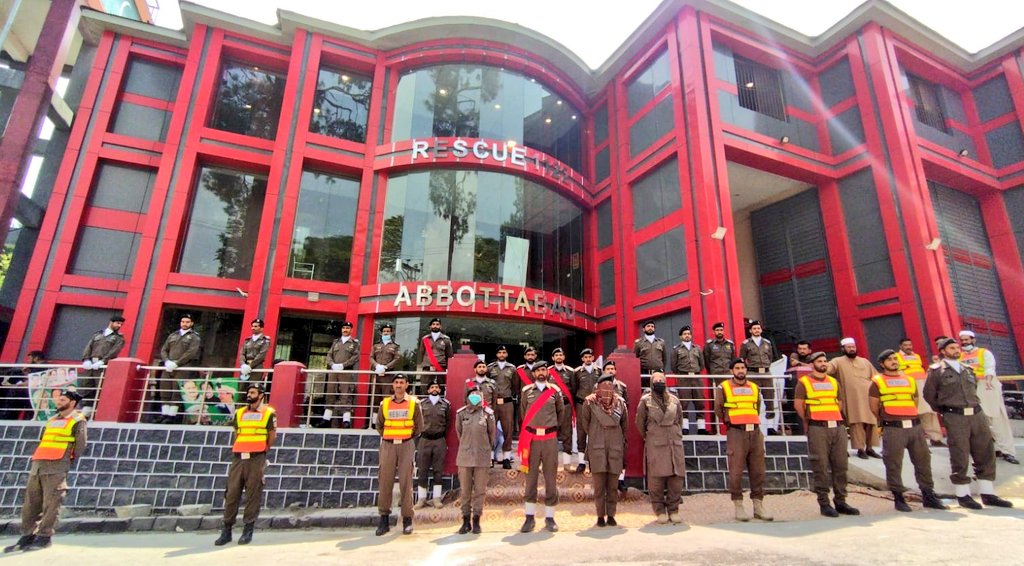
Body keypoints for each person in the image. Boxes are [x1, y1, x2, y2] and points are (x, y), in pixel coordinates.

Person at [924, 338, 1013, 509]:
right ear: (943, 351)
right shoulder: (936, 371)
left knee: (985, 451)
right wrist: (946, 410)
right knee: (960, 453)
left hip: (976, 413)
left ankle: (988, 493)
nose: (956, 350)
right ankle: (963, 494)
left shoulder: (968, 369)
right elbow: (929, 395)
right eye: (952, 347)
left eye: (957, 347)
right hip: (955, 416)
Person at [4, 389, 87, 552]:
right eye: (58, 399)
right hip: (39, 464)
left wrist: (66, 462)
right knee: (30, 504)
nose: (58, 402)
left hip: (57, 465)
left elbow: (80, 444)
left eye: (62, 400)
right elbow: (43, 440)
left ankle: (44, 537)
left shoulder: (78, 420)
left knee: (52, 503)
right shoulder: (51, 419)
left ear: (72, 403)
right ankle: (27, 536)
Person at [868, 350, 947, 513]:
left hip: (914, 426)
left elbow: (915, 401)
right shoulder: (877, 382)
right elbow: (874, 407)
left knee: (923, 461)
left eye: (895, 359)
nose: (893, 361)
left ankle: (928, 496)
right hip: (893, 427)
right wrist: (889, 418)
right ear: (882, 364)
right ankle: (898, 497)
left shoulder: (909, 380)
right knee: (893, 463)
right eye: (889, 359)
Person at [794, 352, 859, 518]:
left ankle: (841, 500)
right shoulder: (804, 383)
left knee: (841, 465)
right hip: (818, 427)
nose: (824, 364)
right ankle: (824, 503)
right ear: (811, 364)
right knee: (820, 465)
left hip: (836, 426)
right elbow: (799, 406)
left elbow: (839, 403)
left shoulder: (833, 382)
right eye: (820, 361)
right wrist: (812, 420)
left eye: (825, 361)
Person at [214, 384, 276, 546]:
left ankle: (248, 529)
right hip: (239, 457)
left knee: (253, 493)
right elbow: (237, 432)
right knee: (232, 493)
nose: (249, 395)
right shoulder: (240, 412)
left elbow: (272, 435)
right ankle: (226, 530)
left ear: (261, 395)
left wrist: (263, 449)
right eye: (248, 392)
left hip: (256, 457)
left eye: (253, 392)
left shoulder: (268, 413)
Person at [715, 359, 773, 522]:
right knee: (736, 471)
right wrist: (730, 422)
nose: (740, 370)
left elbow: (758, 406)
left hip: (754, 432)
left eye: (743, 368)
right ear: (731, 370)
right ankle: (738, 505)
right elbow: (718, 409)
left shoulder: (754, 387)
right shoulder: (724, 387)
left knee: (758, 471)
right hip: (736, 432)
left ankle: (758, 505)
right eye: (737, 368)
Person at [518, 361, 565, 533]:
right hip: (531, 440)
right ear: (533, 373)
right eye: (537, 370)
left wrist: (550, 428)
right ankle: (529, 518)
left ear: (547, 372)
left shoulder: (555, 391)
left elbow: (561, 413)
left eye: (544, 369)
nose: (541, 372)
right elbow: (523, 414)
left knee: (550, 478)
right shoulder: (526, 392)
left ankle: (550, 517)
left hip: (549, 439)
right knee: (530, 479)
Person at [959, 330, 1019, 464]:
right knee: (979, 420)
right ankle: (990, 450)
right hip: (970, 388)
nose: (964, 342)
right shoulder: (960, 356)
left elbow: (989, 368)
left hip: (987, 385)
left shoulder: (984, 353)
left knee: (996, 418)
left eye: (967, 340)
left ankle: (1007, 451)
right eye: (962, 340)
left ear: (973, 340)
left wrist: (988, 380)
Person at [375, 374, 423, 536]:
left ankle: (407, 520)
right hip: (388, 445)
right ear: (392, 385)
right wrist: (390, 436)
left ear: (407, 385)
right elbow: (379, 425)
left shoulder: (414, 403)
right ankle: (384, 519)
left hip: (406, 444)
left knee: (406, 482)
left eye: (402, 382)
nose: (399, 385)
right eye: (396, 382)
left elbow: (419, 426)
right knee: (385, 481)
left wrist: (406, 436)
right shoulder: (385, 403)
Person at [636, 371, 686, 525]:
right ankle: (659, 510)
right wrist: (651, 435)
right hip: (655, 442)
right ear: (651, 382)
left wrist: (675, 433)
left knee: (676, 477)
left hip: (674, 442)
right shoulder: (645, 401)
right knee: (656, 478)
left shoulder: (674, 400)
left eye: (661, 379)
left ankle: (674, 509)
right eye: (656, 380)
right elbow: (640, 423)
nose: (659, 382)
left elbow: (679, 420)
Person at [579, 374, 627, 527]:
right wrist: (595, 434)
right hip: (597, 447)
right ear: (598, 386)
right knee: (599, 486)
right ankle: (600, 516)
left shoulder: (620, 403)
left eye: (610, 384)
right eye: (604, 384)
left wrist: (617, 438)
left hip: (615, 447)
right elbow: (585, 424)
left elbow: (624, 425)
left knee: (613, 485)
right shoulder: (590, 402)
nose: (607, 388)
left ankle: (611, 515)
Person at [827, 338, 880, 459]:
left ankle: (870, 448)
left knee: (871, 423)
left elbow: (876, 377)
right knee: (857, 424)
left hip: (868, 397)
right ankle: (860, 449)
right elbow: (828, 369)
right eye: (849, 347)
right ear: (843, 349)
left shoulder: (865, 362)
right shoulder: (838, 361)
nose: (852, 349)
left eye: (853, 346)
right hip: (852, 400)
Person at [455, 381, 496, 534]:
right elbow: (459, 433)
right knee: (465, 491)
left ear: (481, 396)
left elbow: (492, 435)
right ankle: (465, 520)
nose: (474, 396)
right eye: (472, 394)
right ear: (467, 397)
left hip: (482, 457)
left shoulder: (488, 414)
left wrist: (484, 448)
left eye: (477, 394)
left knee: (480, 490)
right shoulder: (461, 414)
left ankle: (476, 519)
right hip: (465, 457)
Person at [895, 337, 945, 447]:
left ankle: (935, 438)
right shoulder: (896, 357)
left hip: (923, 384)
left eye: (910, 345)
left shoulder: (916, 356)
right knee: (914, 413)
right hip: (909, 387)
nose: (908, 347)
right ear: (901, 346)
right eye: (906, 345)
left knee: (929, 411)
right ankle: (916, 440)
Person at [157, 314, 201, 424]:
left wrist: (177, 363)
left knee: (177, 391)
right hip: (168, 367)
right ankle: (164, 414)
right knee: (165, 390)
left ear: (191, 323)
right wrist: (167, 361)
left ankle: (172, 416)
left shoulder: (194, 337)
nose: (184, 324)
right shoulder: (173, 335)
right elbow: (164, 349)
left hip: (182, 367)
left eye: (187, 322)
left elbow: (191, 352)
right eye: (183, 322)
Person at [415, 379, 450, 509]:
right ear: (428, 390)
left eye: (437, 387)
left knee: (438, 470)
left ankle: (436, 498)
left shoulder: (445, 404)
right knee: (422, 470)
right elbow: (417, 421)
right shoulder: (421, 404)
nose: (434, 389)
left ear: (440, 390)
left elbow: (448, 421)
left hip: (439, 440)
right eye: (432, 387)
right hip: (424, 439)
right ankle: (421, 499)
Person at [79, 315, 126, 411]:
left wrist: (103, 361)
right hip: (91, 363)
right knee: (87, 386)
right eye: (118, 323)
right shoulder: (97, 335)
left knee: (100, 387)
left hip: (103, 365)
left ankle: (96, 411)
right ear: (111, 322)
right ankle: (86, 410)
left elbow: (114, 352)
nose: (119, 325)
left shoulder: (118, 338)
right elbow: (89, 347)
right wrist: (86, 359)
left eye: (121, 324)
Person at [739, 321, 778, 430]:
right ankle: (754, 424)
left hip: (766, 373)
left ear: (761, 330)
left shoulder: (767, 343)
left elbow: (770, 358)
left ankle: (770, 427)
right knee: (752, 399)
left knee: (769, 398)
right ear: (750, 331)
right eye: (754, 328)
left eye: (758, 328)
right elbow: (742, 359)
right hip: (752, 373)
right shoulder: (746, 343)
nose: (756, 330)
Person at [488, 345, 519, 469]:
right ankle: (490, 457)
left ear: (506, 354)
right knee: (490, 430)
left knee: (508, 430)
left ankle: (506, 457)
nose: (501, 354)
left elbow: (515, 386)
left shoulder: (512, 369)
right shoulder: (490, 368)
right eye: (499, 352)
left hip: (507, 403)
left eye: (504, 352)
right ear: (496, 355)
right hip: (493, 403)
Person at [673, 325, 708, 434]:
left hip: (696, 377)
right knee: (684, 403)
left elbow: (702, 364)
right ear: (680, 336)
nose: (687, 335)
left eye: (688, 334)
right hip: (683, 378)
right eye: (685, 334)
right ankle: (685, 427)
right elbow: (674, 366)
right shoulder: (677, 349)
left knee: (700, 402)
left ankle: (701, 428)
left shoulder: (697, 348)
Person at [326, 321, 360, 428]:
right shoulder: (336, 342)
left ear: (351, 330)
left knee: (346, 394)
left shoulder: (354, 343)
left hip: (346, 371)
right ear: (341, 329)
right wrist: (332, 364)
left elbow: (355, 357)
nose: (345, 330)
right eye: (344, 328)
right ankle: (326, 418)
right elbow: (329, 355)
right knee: (330, 393)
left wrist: (343, 365)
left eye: (348, 328)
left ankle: (346, 420)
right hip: (334, 371)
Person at [572, 348, 602, 473]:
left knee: (595, 431)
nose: (588, 359)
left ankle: (594, 461)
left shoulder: (599, 371)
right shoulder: (577, 372)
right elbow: (574, 388)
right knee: (581, 431)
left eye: (590, 357)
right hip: (581, 403)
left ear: (593, 357)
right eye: (585, 357)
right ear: (582, 359)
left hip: (595, 405)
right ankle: (581, 462)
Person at [549, 348, 576, 472]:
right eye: (556, 355)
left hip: (566, 406)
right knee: (551, 433)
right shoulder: (548, 371)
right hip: (551, 406)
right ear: (553, 358)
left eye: (561, 355)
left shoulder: (571, 372)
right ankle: (551, 462)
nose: (559, 357)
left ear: (564, 357)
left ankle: (567, 463)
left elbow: (574, 389)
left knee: (566, 433)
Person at [370, 323, 402, 426]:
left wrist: (386, 367)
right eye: (384, 331)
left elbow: (397, 358)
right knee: (375, 398)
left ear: (391, 332)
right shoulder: (376, 345)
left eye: (388, 331)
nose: (386, 333)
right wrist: (377, 366)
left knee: (386, 398)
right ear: (381, 333)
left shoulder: (395, 346)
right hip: (376, 375)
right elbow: (371, 357)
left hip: (388, 375)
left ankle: (384, 421)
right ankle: (374, 422)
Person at [0, 350, 44, 420]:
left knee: (13, 392)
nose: (28, 361)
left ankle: (5, 417)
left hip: (33, 394)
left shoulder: (41, 367)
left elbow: (30, 382)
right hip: (29, 393)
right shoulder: (35, 368)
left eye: (30, 359)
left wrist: (13, 386)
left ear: (36, 358)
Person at [238, 318, 271, 383]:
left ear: (261, 328)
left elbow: (261, 355)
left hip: (257, 366)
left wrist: (250, 366)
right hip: (245, 367)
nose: (253, 328)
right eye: (252, 326)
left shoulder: (265, 340)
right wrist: (243, 365)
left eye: (255, 326)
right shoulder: (247, 340)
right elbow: (242, 353)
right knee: (242, 387)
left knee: (253, 386)